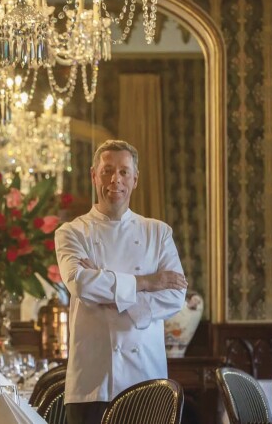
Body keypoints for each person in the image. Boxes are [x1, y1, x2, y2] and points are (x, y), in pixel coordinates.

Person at [55, 139, 188, 424]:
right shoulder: (71, 233)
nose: (115, 179)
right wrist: (147, 282)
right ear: (93, 175)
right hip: (92, 383)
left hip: (148, 378)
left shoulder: (158, 233)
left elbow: (175, 296)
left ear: (135, 179)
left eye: (124, 172)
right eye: (107, 171)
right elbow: (80, 283)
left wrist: (108, 292)